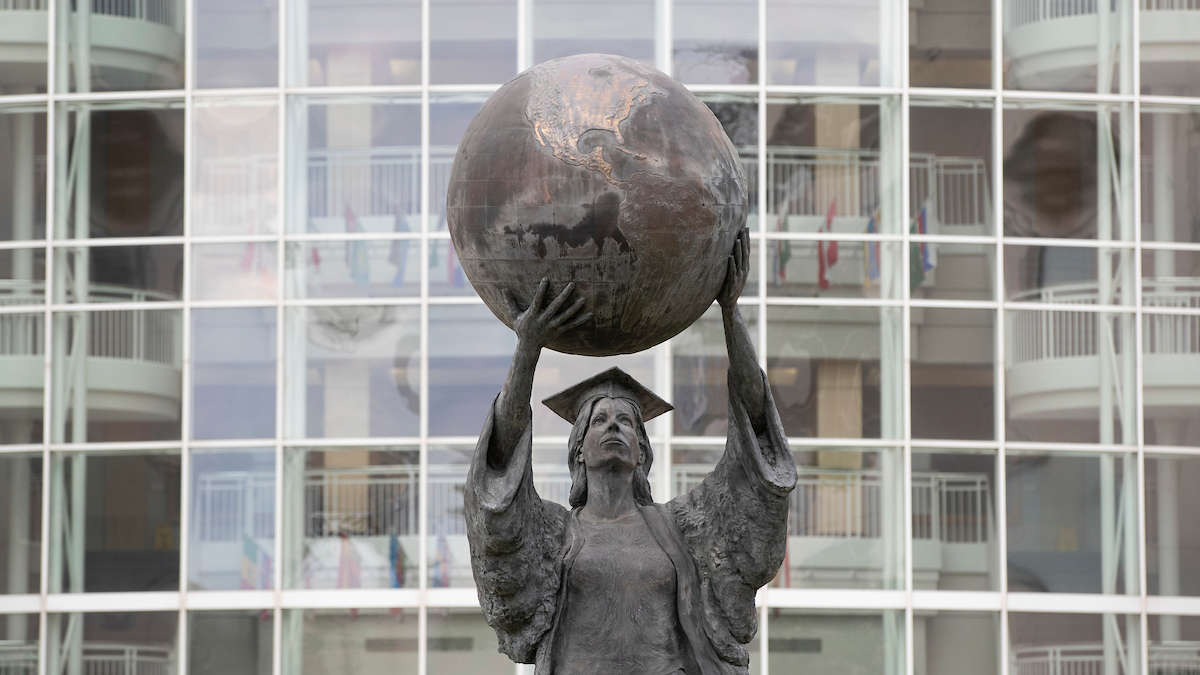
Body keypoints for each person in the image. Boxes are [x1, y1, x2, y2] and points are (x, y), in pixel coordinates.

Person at [464, 229, 797, 675]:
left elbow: (754, 442)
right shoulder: (553, 536)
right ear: (578, 449)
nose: (614, 426)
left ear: (642, 451)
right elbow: (499, 477)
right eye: (599, 421)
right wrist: (527, 350)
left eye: (626, 422)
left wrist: (730, 314)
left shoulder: (684, 529)